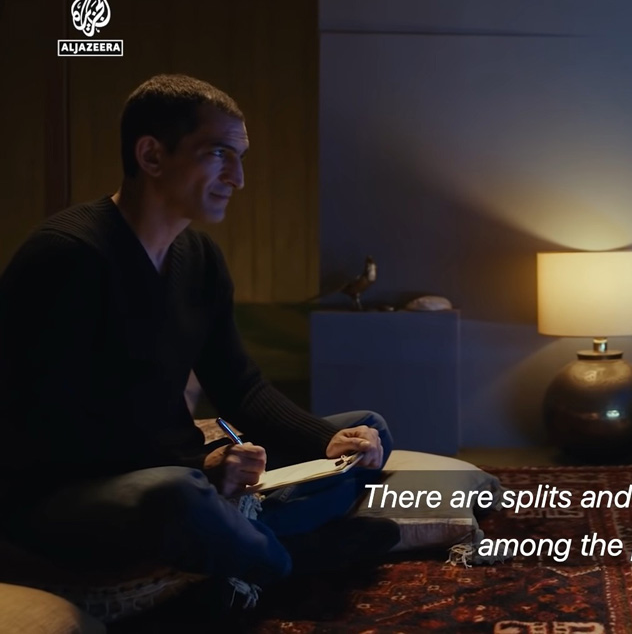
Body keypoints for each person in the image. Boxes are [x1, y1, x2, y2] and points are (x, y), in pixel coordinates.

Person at [0, 74, 398, 610]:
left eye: (240, 157)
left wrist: (326, 442)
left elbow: (241, 387)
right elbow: (45, 431)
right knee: (177, 497)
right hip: (65, 493)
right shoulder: (68, 256)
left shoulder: (201, 259)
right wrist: (205, 466)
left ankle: (242, 543)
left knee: (369, 431)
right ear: (151, 155)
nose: (238, 177)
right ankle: (292, 560)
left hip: (179, 468)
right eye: (218, 154)